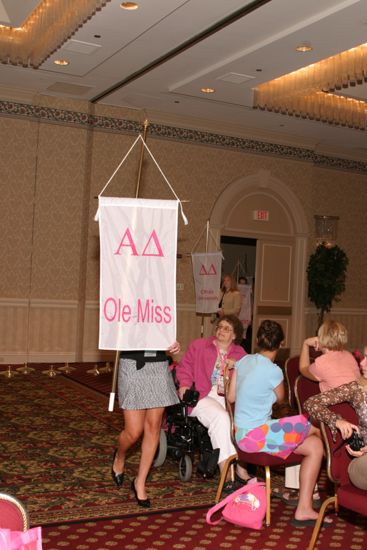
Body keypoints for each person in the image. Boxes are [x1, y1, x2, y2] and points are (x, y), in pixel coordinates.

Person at [228, 320, 329, 527]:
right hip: (257, 438)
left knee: (315, 447)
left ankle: (304, 508)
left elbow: (230, 397)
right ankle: (336, 473)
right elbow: (282, 399)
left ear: (257, 340)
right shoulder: (274, 371)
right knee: (317, 430)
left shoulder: (243, 361)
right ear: (281, 344)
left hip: (240, 436)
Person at [175, 315, 248, 486]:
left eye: (227, 328)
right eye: (220, 327)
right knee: (221, 418)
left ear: (235, 335)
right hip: (203, 395)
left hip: (229, 397)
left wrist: (237, 366)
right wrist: (184, 385)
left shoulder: (240, 354)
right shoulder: (199, 346)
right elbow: (184, 367)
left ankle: (242, 468)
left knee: (245, 420)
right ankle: (227, 474)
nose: (221, 330)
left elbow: (248, 377)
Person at [111, 342, 180, 508]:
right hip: (132, 363)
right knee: (133, 432)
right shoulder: (124, 314)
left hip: (158, 365)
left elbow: (164, 323)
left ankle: (140, 482)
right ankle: (120, 455)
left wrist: (172, 342)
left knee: (154, 426)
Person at [300, 320, 360, 392]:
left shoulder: (321, 363)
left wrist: (305, 343)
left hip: (337, 402)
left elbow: (303, 369)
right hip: (356, 400)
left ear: (320, 337)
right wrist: (323, 347)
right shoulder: (349, 355)